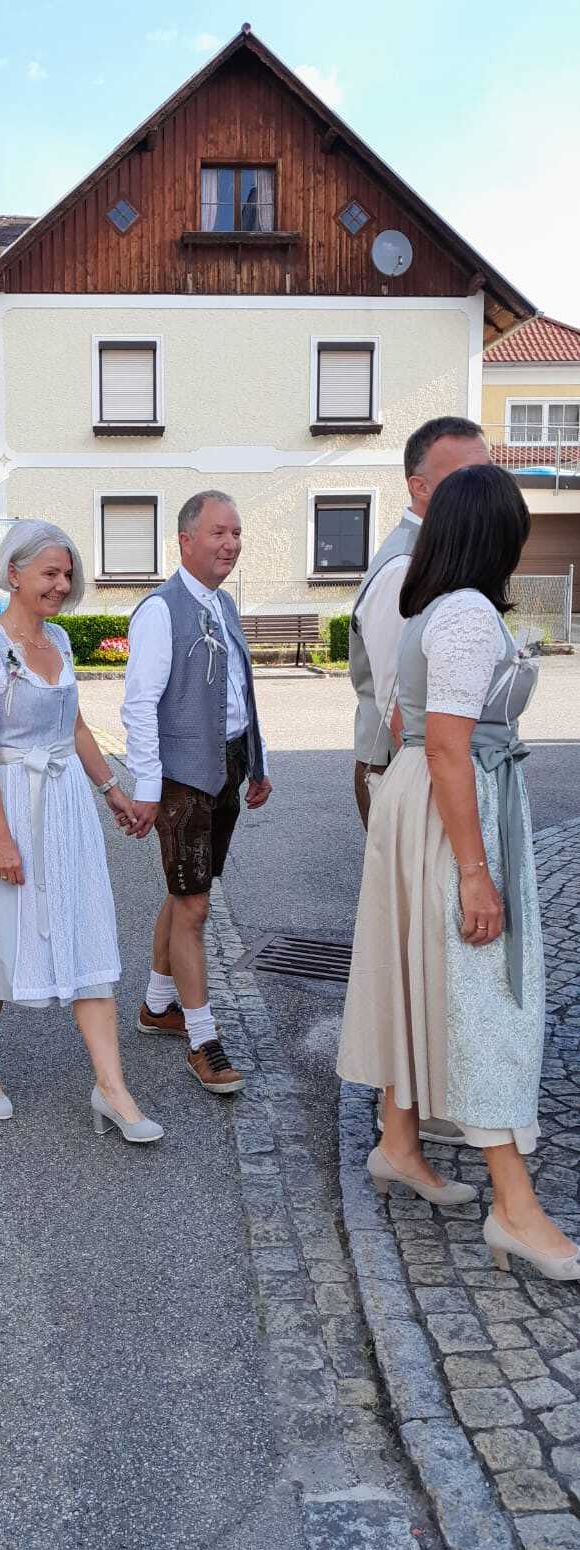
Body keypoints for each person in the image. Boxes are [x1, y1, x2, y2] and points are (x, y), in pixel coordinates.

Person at [338, 463, 580, 1281]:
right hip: (453, 808)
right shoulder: (469, 613)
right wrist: (475, 872)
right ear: (497, 535)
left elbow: (404, 720)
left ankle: (397, 1141)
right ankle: (513, 1208)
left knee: (419, 971)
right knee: (486, 997)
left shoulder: (429, 608)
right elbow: (445, 744)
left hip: (422, 800)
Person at [0, 520, 162, 1143]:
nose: (62, 585)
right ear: (13, 574)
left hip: (65, 806)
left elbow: (76, 727)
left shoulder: (60, 639)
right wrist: (0, 838)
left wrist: (112, 790)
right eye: (50, 573)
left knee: (85, 929)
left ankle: (112, 1087)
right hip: (9, 803)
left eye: (67, 574)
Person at [121, 491, 272, 1094]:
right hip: (182, 778)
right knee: (194, 907)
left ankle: (158, 1003)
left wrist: (255, 763)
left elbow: (240, 693)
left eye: (236, 533)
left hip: (226, 766)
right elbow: (139, 706)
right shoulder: (160, 611)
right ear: (185, 540)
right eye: (218, 533)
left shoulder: (223, 602)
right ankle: (203, 1038)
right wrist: (146, 789)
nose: (230, 544)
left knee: (188, 891)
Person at [350, 417, 489, 829]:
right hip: (406, 773)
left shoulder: (438, 554)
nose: (484, 488)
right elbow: (398, 707)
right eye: (466, 477)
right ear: (420, 486)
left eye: (488, 473)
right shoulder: (404, 567)